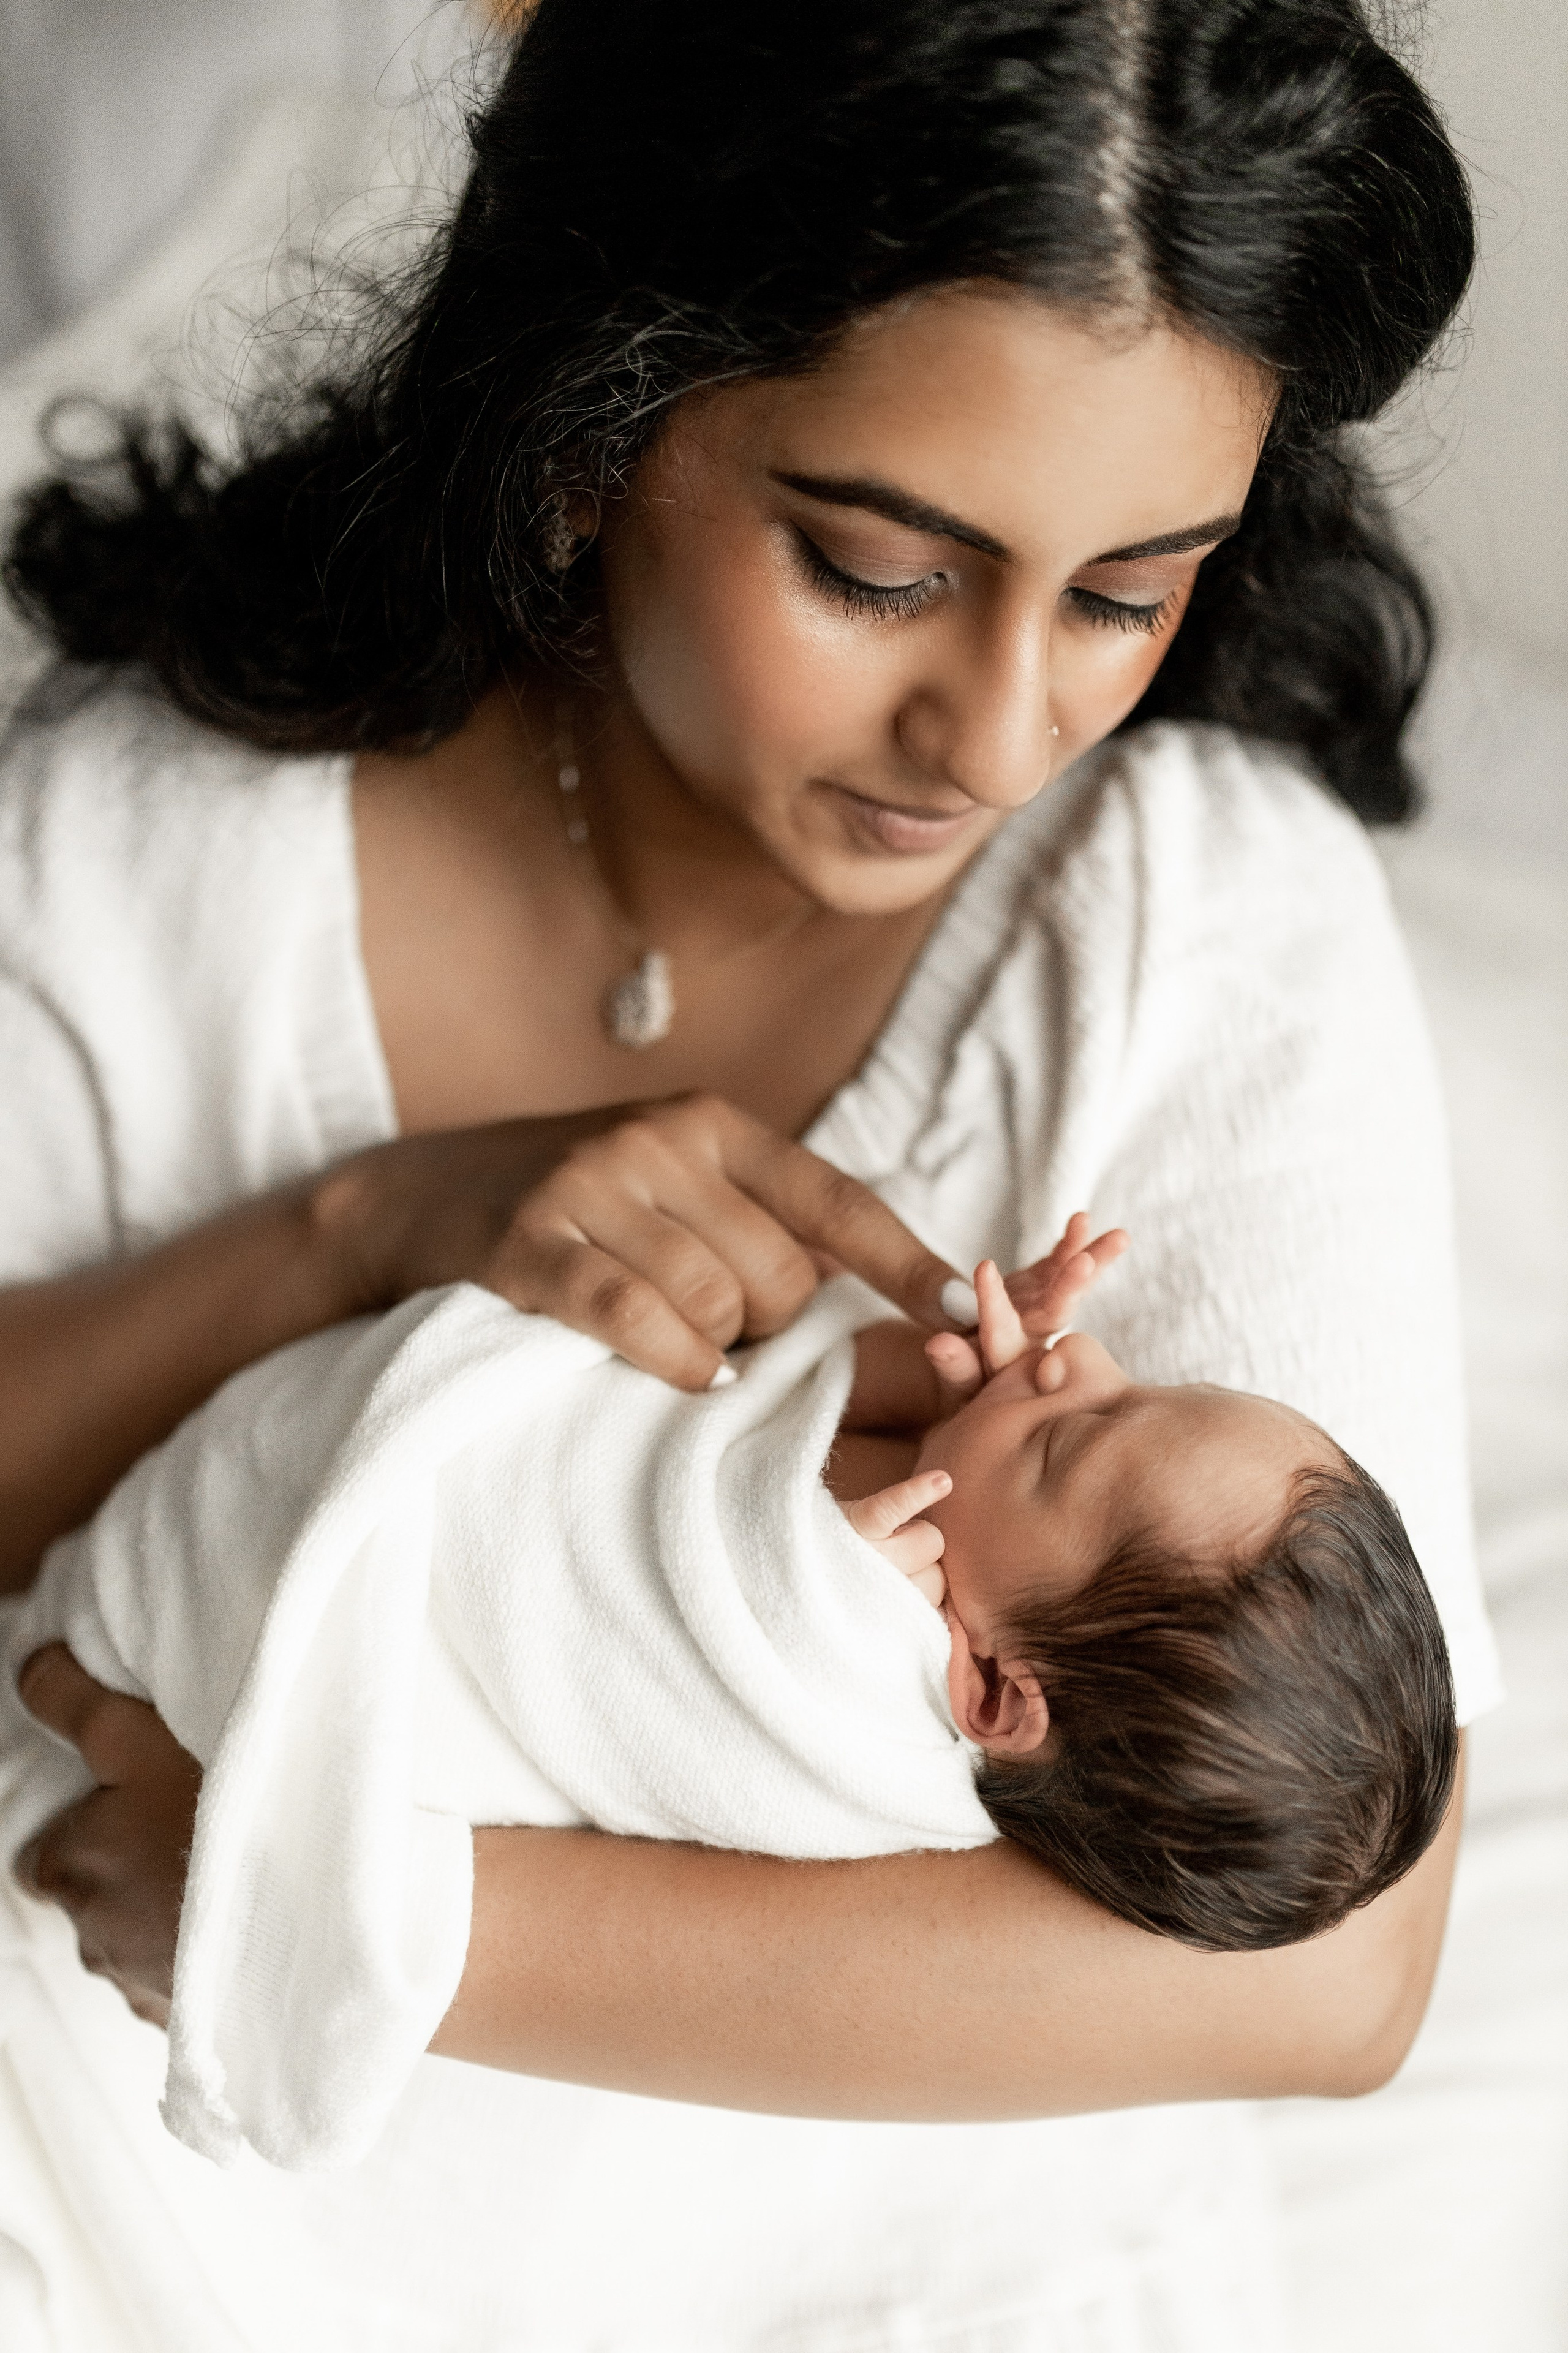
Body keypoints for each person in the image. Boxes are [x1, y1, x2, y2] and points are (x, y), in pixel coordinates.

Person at [0, 1, 1502, 2344]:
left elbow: (1326, 1974)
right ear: (591, 427)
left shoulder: (1194, 907)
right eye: (881, 568)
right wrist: (356, 1229)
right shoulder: (143, 847)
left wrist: (306, 1908)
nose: (998, 733)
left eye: (1127, 593)